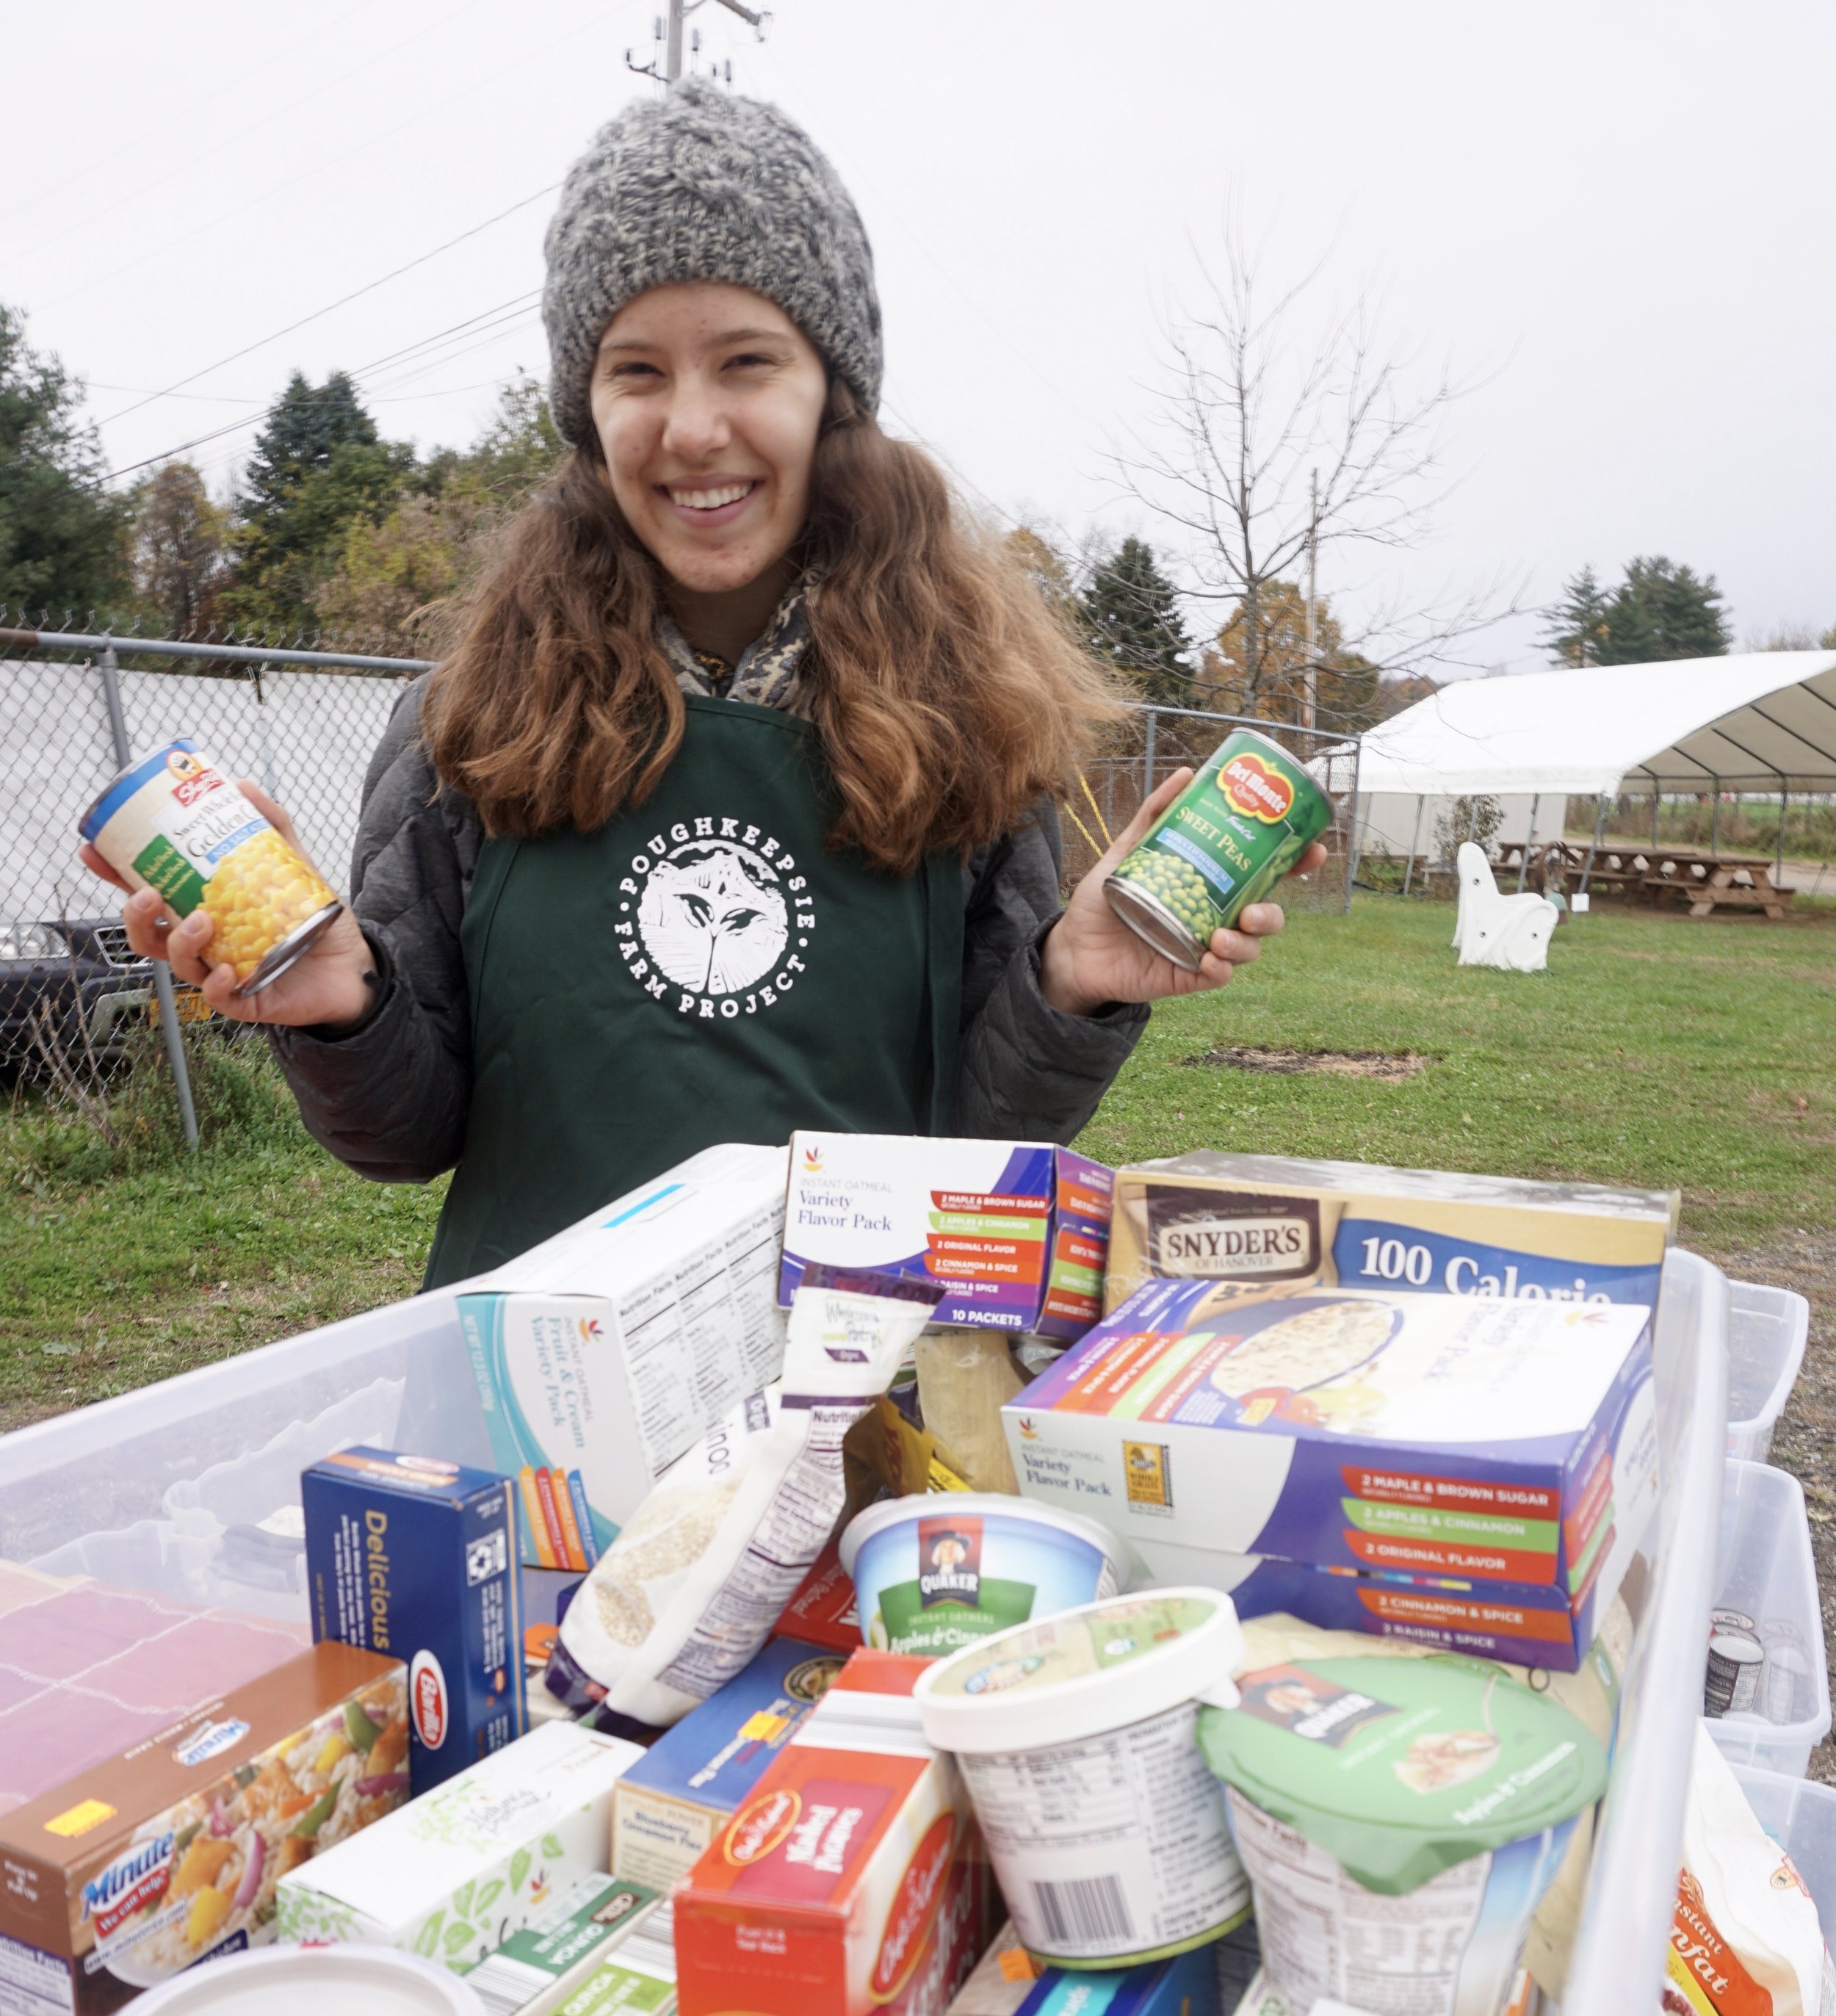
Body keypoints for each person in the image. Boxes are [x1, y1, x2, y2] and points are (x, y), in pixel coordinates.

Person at [87, 87, 1320, 1285]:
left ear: (831, 392)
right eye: (637, 372)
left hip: (857, 1399)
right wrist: (335, 1007)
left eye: (745, 361)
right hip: (535, 1412)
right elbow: (404, 1136)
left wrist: (1070, 983)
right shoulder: (466, 720)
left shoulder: (970, 719)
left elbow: (987, 1142)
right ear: (587, 405)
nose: (690, 428)